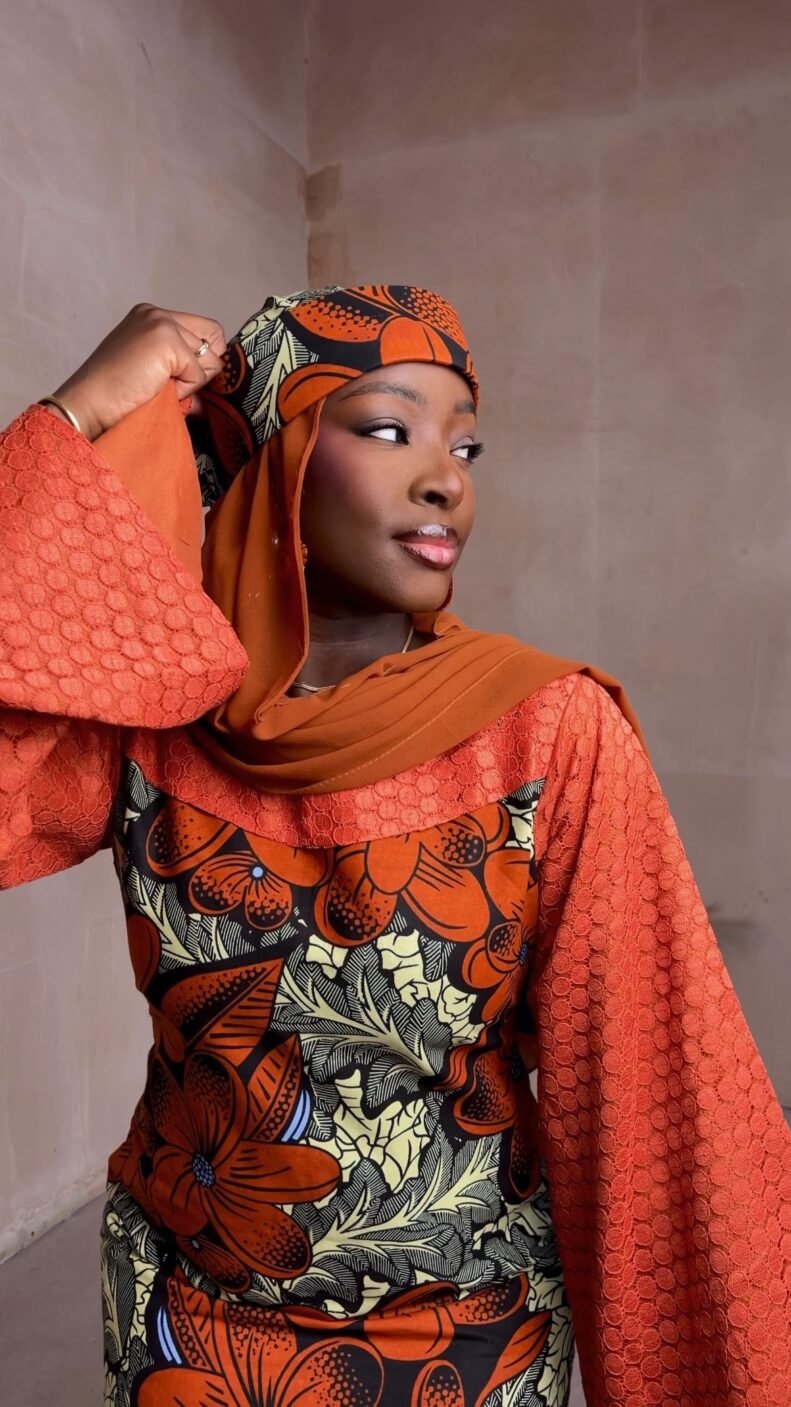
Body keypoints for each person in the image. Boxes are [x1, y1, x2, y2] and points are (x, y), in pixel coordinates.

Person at [0, 285, 788, 1407]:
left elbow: (649, 1094)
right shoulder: (155, 718)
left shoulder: (542, 731)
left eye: (464, 446)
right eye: (385, 430)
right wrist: (75, 417)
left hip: (468, 1345)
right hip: (186, 1329)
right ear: (275, 463)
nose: (446, 479)